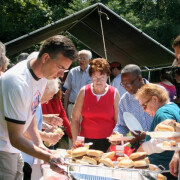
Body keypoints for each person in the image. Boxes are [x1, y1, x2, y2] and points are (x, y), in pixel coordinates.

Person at [0, 35, 77, 179]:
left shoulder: (41, 77)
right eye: (60, 68)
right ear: (46, 57)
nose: (61, 75)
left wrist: (39, 144)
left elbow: (31, 112)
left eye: (65, 70)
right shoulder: (17, 83)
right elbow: (16, 137)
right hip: (3, 150)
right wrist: (48, 157)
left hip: (13, 150)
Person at [71, 58, 120, 152]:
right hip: (86, 142)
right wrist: (75, 141)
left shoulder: (114, 93)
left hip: (109, 142)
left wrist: (114, 143)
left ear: (107, 76)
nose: (98, 81)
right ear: (90, 77)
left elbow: (118, 121)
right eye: (95, 78)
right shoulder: (84, 91)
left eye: (102, 78)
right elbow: (75, 119)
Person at [22, 78, 64, 180]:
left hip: (30, 155)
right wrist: (48, 137)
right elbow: (25, 130)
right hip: (23, 156)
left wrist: (47, 123)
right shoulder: (29, 99)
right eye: (50, 95)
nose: (49, 99)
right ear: (45, 88)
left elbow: (34, 122)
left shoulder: (37, 100)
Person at [136, 83, 180, 180]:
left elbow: (165, 139)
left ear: (155, 99)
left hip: (164, 170)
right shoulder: (174, 106)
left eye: (144, 105)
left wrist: (141, 149)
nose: (144, 110)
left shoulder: (162, 112)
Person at [112, 64, 153, 148]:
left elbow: (167, 124)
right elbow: (121, 125)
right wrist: (118, 133)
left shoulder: (157, 93)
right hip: (137, 145)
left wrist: (147, 135)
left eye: (128, 84)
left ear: (139, 79)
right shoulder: (124, 100)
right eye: (123, 84)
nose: (126, 88)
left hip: (158, 145)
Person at [63, 49, 92, 119]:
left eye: (83, 58)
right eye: (79, 58)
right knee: (72, 129)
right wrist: (65, 108)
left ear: (90, 60)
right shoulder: (72, 72)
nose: (81, 60)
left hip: (87, 108)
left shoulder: (94, 72)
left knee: (86, 129)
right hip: (72, 106)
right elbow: (67, 92)